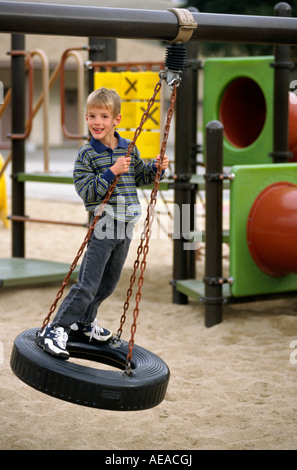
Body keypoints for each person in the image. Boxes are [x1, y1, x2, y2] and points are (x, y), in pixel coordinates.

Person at [37, 87, 169, 359]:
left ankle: (84, 324)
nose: (97, 122)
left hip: (127, 226)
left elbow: (141, 177)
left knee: (107, 285)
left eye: (104, 116)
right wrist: (111, 172)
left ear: (116, 120)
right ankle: (56, 328)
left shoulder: (128, 147)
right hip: (105, 224)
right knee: (87, 284)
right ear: (86, 118)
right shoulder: (86, 154)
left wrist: (157, 168)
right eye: (91, 116)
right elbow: (86, 190)